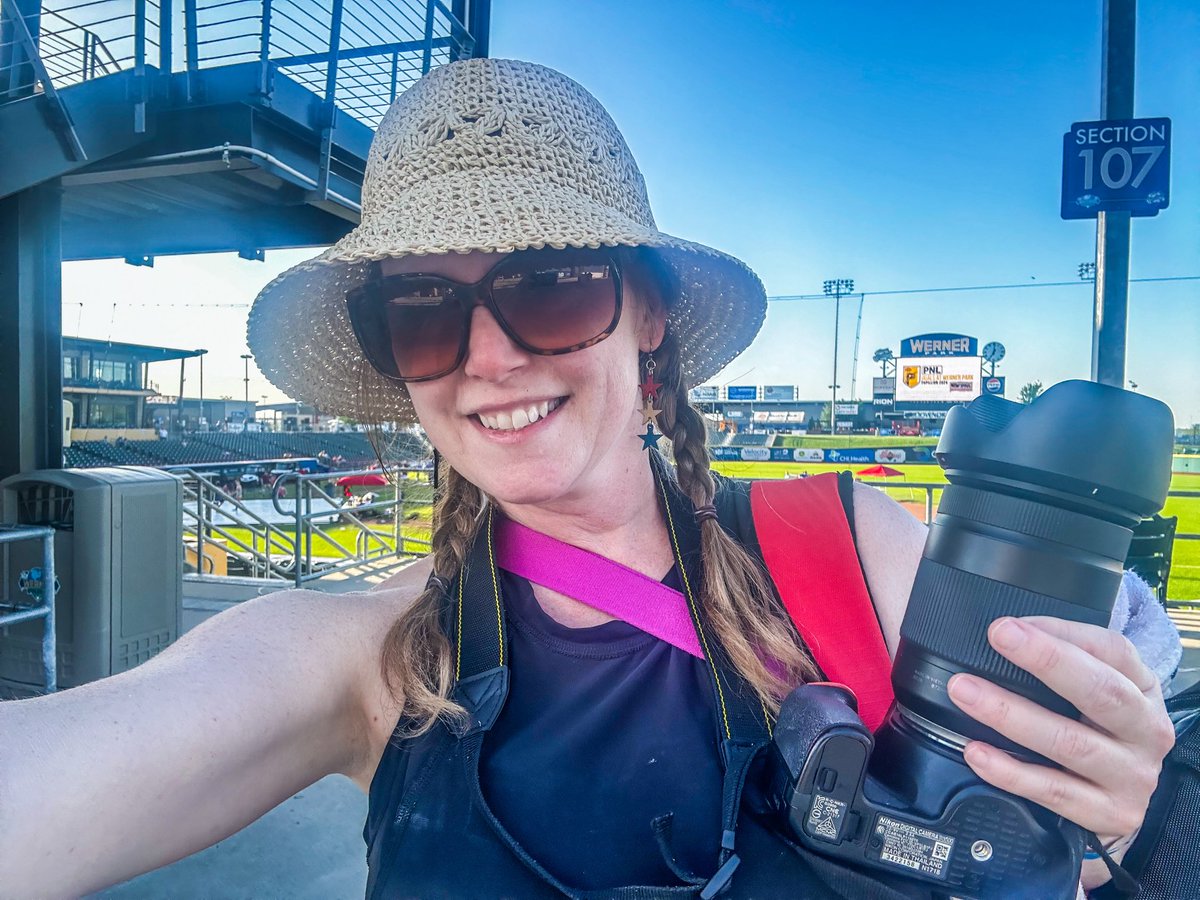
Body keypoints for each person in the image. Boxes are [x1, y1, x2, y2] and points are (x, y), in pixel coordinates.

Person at [0, 59, 1177, 898]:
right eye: (423, 310)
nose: (490, 356)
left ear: (649, 314)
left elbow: (1059, 817)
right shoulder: (375, 659)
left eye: (551, 284)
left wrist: (1141, 818)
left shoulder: (845, 545)